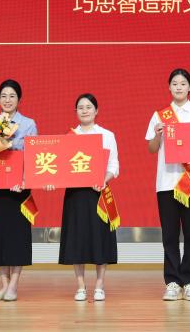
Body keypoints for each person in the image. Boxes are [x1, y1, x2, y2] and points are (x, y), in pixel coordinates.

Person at [145, 68, 190, 302]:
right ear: (169, 87)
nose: (179, 87)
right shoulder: (160, 116)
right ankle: (173, 282)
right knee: (169, 236)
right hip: (166, 183)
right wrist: (157, 134)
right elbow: (152, 148)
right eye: (175, 83)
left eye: (183, 83)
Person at [56, 93, 119, 302]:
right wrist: (51, 180)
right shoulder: (69, 137)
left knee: (100, 238)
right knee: (77, 238)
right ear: (76, 112)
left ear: (96, 110)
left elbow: (114, 165)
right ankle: (81, 286)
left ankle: (100, 285)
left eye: (89, 107)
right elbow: (60, 167)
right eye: (81, 107)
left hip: (98, 192)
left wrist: (104, 178)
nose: (85, 110)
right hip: (75, 195)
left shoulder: (107, 135)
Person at [0, 79, 38, 301]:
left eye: (12, 96)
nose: (7, 100)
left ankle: (14, 285)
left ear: (19, 99)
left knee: (17, 235)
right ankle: (4, 285)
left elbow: (33, 156)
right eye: (3, 96)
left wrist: (24, 180)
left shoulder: (28, 124)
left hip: (19, 186)